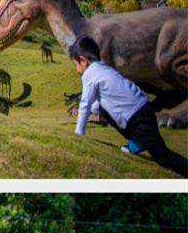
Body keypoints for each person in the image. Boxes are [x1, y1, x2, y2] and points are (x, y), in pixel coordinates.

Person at [70, 35, 187, 177]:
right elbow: (101, 102)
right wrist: (88, 112)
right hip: (142, 109)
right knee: (103, 110)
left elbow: (85, 103)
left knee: (162, 156)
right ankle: (138, 141)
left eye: (75, 64)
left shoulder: (89, 74)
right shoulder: (102, 69)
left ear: (83, 61)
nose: (76, 69)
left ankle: (142, 142)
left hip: (139, 116)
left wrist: (79, 135)